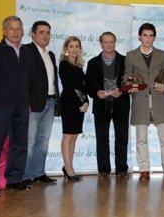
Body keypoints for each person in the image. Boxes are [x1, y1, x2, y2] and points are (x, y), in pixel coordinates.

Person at [0, 15, 34, 195]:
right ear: (4, 31)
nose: (16, 32)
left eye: (18, 28)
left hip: (21, 107)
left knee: (19, 144)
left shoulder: (27, 52)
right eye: (11, 28)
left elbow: (30, 80)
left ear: (23, 30)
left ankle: (14, 179)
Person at [125, 23, 164, 181]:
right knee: (141, 138)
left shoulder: (162, 55)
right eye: (145, 35)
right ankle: (144, 170)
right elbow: (128, 76)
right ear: (139, 36)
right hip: (140, 101)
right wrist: (130, 87)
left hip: (159, 100)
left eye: (151, 35)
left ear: (154, 37)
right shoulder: (130, 55)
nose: (148, 38)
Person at [86, 32, 130, 178]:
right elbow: (89, 85)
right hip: (101, 105)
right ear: (101, 44)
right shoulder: (93, 62)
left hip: (121, 104)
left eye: (111, 42)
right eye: (106, 42)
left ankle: (121, 169)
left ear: (115, 43)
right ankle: (104, 170)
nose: (109, 45)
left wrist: (122, 91)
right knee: (102, 138)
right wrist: (96, 92)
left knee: (122, 137)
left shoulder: (125, 61)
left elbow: (130, 83)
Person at [23, 21, 60, 185]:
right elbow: (23, 80)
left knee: (43, 140)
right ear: (33, 34)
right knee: (30, 140)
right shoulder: (26, 51)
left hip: (50, 102)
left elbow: (52, 81)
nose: (45, 36)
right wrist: (26, 101)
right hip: (34, 103)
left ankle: (39, 173)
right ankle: (26, 176)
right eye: (42, 32)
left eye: (48, 32)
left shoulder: (50, 54)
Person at [59, 36, 89, 181]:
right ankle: (68, 169)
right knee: (68, 136)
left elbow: (83, 87)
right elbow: (69, 88)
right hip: (69, 104)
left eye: (77, 46)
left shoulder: (79, 66)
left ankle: (69, 167)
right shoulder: (64, 65)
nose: (74, 49)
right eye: (71, 46)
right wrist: (80, 104)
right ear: (66, 49)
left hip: (80, 105)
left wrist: (87, 102)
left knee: (74, 136)